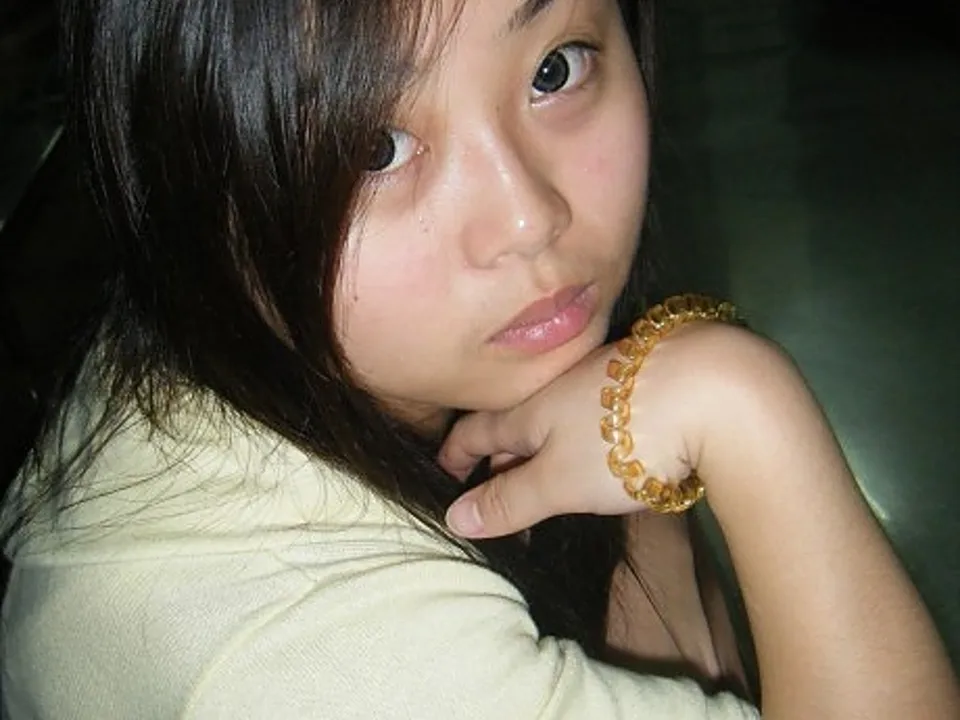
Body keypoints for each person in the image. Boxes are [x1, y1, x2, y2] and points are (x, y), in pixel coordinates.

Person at [1, 0, 956, 717]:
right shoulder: (303, 663)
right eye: (374, 148)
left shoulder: (239, 341)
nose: (530, 218)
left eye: (554, 70)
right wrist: (745, 411)